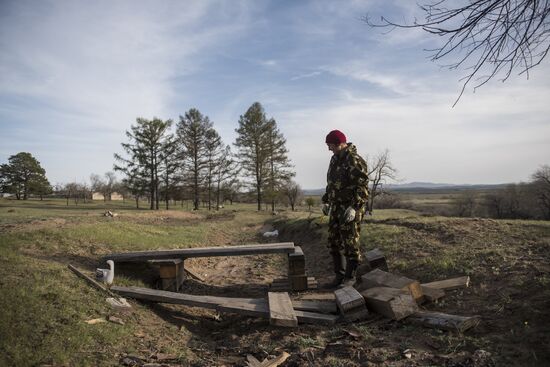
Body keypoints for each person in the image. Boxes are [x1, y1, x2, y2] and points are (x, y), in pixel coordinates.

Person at [321, 130, 369, 288]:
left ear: (340, 143)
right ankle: (339, 276)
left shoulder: (354, 160)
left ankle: (350, 278)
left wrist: (355, 207)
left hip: (350, 207)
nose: (329, 149)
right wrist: (326, 201)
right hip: (336, 206)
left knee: (350, 241)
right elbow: (331, 183)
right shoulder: (334, 159)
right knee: (334, 241)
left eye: (331, 146)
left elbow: (362, 186)